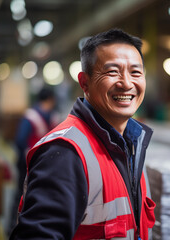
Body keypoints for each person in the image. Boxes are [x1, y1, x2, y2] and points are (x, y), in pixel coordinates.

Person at [10, 28, 156, 239]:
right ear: (84, 82)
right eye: (112, 72)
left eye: (135, 72)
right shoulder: (65, 153)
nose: (126, 83)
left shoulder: (132, 147)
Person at [9, 86, 59, 233]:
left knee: (22, 194)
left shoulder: (32, 116)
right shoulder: (42, 117)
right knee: (27, 194)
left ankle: (16, 226)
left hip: (31, 162)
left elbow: (19, 141)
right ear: (50, 100)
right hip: (38, 164)